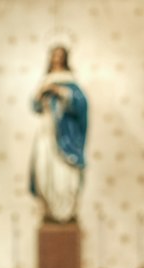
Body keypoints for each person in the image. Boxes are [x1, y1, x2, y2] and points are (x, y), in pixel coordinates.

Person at [29, 44, 88, 223]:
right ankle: (49, 208)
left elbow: (81, 105)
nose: (56, 59)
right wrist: (41, 94)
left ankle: (66, 210)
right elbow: (35, 106)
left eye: (60, 56)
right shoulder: (45, 80)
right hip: (46, 133)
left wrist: (61, 92)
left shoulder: (71, 81)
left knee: (65, 172)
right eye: (54, 55)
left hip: (66, 135)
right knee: (44, 168)